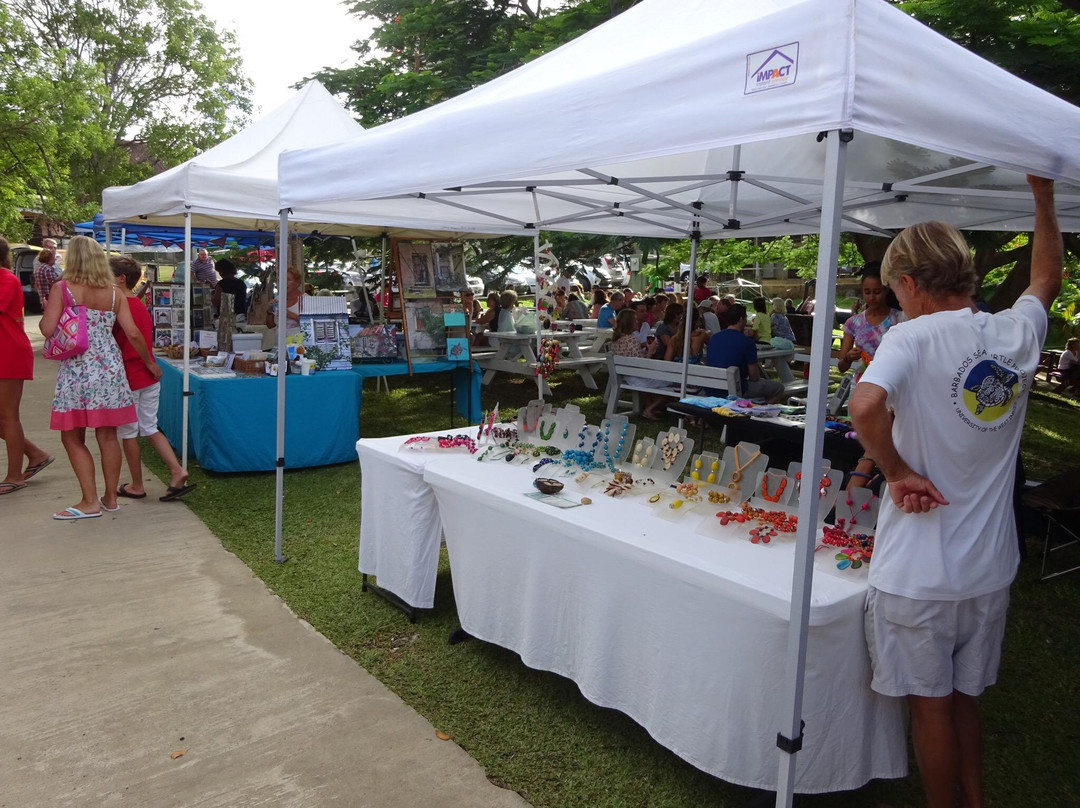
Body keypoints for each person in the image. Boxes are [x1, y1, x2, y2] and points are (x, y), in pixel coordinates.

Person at [849, 175, 1061, 808]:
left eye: (894, 290)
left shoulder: (910, 336)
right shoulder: (1013, 334)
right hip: (990, 567)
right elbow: (1046, 279)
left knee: (931, 708)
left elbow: (864, 405)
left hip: (920, 572)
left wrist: (893, 472)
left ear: (909, 284)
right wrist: (1042, 198)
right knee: (965, 700)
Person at [41, 236, 160, 519]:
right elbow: (132, 333)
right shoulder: (116, 293)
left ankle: (89, 501)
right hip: (110, 369)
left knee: (72, 436)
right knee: (108, 436)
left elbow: (46, 329)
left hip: (77, 370)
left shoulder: (63, 288)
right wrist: (148, 362)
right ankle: (110, 498)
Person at [110, 256, 194, 502]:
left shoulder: (121, 305)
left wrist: (146, 361)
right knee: (148, 426)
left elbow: (133, 337)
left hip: (132, 374)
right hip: (147, 375)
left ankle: (137, 484)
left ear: (121, 279)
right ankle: (177, 470)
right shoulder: (137, 305)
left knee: (128, 432)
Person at [0, 237, 53, 495]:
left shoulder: (6, 279)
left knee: (8, 415)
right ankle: (35, 454)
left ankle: (14, 475)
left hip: (8, 352)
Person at [837, 264, 904, 381]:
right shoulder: (853, 323)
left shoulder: (899, 318)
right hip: (861, 383)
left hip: (891, 383)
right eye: (867, 292)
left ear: (886, 290)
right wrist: (848, 358)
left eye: (877, 292)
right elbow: (841, 367)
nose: (872, 297)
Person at [705, 304, 784, 402]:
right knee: (779, 388)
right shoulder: (746, 342)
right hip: (736, 389)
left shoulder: (714, 338)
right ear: (741, 319)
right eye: (746, 317)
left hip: (711, 388)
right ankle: (759, 412)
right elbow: (754, 377)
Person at [610, 309, 667, 420]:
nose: (637, 322)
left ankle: (651, 407)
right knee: (671, 383)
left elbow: (629, 354)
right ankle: (649, 409)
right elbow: (641, 365)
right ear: (630, 322)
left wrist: (642, 345)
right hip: (636, 377)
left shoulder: (616, 340)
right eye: (635, 320)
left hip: (625, 375)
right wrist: (650, 351)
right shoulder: (631, 340)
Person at [266, 265, 303, 332]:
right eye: (282, 280)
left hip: (299, 341)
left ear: (297, 282)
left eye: (288, 280)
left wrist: (289, 314)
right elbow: (270, 326)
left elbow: (311, 322)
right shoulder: (278, 299)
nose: (285, 283)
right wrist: (269, 311)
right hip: (279, 341)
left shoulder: (306, 299)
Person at [32, 240, 63, 308]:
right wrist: (62, 276)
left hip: (44, 297)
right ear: (49, 259)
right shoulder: (47, 269)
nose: (55, 259)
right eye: (53, 258)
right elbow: (53, 282)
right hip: (49, 297)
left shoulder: (41, 267)